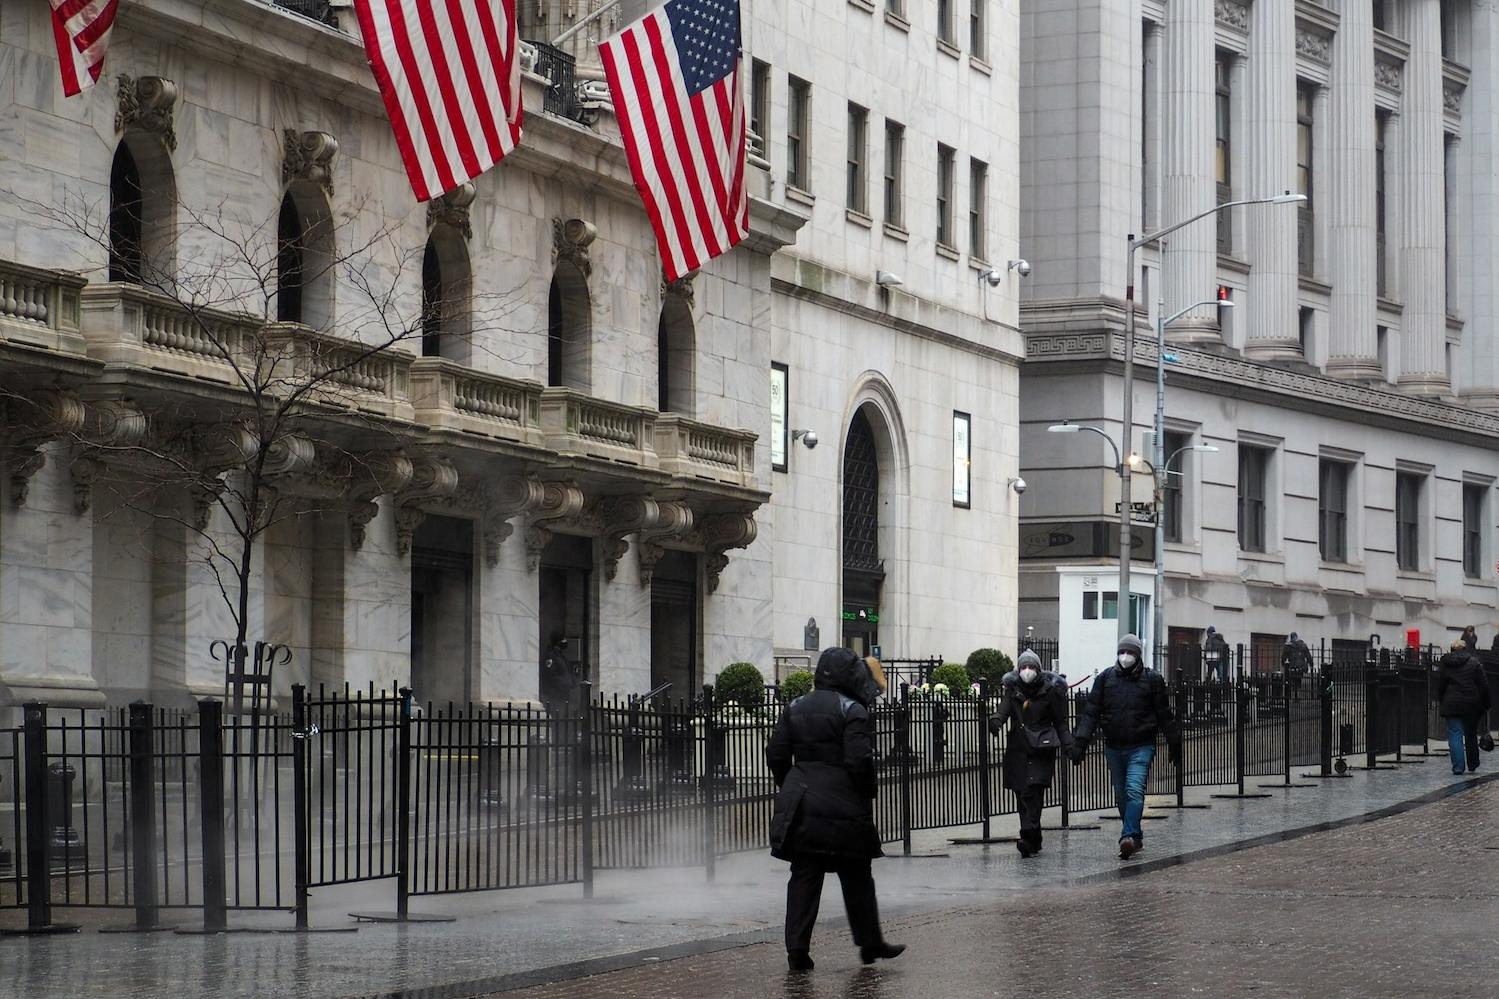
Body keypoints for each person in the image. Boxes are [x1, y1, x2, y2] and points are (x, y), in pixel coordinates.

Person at [767, 647, 904, 972]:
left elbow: (775, 753)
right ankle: (870, 942)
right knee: (857, 875)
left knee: (804, 877)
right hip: (844, 807)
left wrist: (793, 783)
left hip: (802, 806)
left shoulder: (796, 706)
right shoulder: (852, 709)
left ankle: (797, 949)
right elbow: (859, 760)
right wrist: (866, 790)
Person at [1071, 634, 1180, 860]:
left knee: (1133, 790)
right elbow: (1090, 713)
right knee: (1121, 796)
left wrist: (1174, 743)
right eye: (1123, 652)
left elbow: (1164, 715)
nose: (1126, 656)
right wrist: (1080, 742)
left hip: (1142, 745)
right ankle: (1135, 835)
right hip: (1114, 746)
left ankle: (1128, 836)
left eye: (1130, 652)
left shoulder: (1152, 680)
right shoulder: (1105, 680)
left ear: (1138, 655)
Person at [987, 648, 1074, 857]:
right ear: (1018, 670)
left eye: (1031, 667)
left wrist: (1070, 746)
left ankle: (1027, 834)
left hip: (1041, 748)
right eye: (1023, 667)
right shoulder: (1013, 690)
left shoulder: (1050, 691)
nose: (1027, 671)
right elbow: (1005, 708)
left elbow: (1060, 722)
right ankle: (1033, 838)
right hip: (1019, 749)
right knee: (1022, 793)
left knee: (1033, 793)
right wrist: (997, 720)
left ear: (1038, 669)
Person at [1437, 639, 1491, 776]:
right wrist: (1486, 704)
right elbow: (1483, 686)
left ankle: (1458, 767)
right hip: (1471, 704)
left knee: (1455, 734)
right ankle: (1472, 763)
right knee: (1471, 734)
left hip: (1452, 703)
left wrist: (1441, 699)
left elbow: (1441, 684)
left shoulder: (1445, 663)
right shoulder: (1474, 663)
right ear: (1465, 649)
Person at [539, 633, 578, 717]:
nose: (565, 642)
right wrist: (565, 684)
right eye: (563, 640)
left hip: (562, 694)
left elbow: (566, 672)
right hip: (554, 695)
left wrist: (572, 682)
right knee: (557, 717)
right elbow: (551, 676)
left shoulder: (561, 656)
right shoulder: (550, 656)